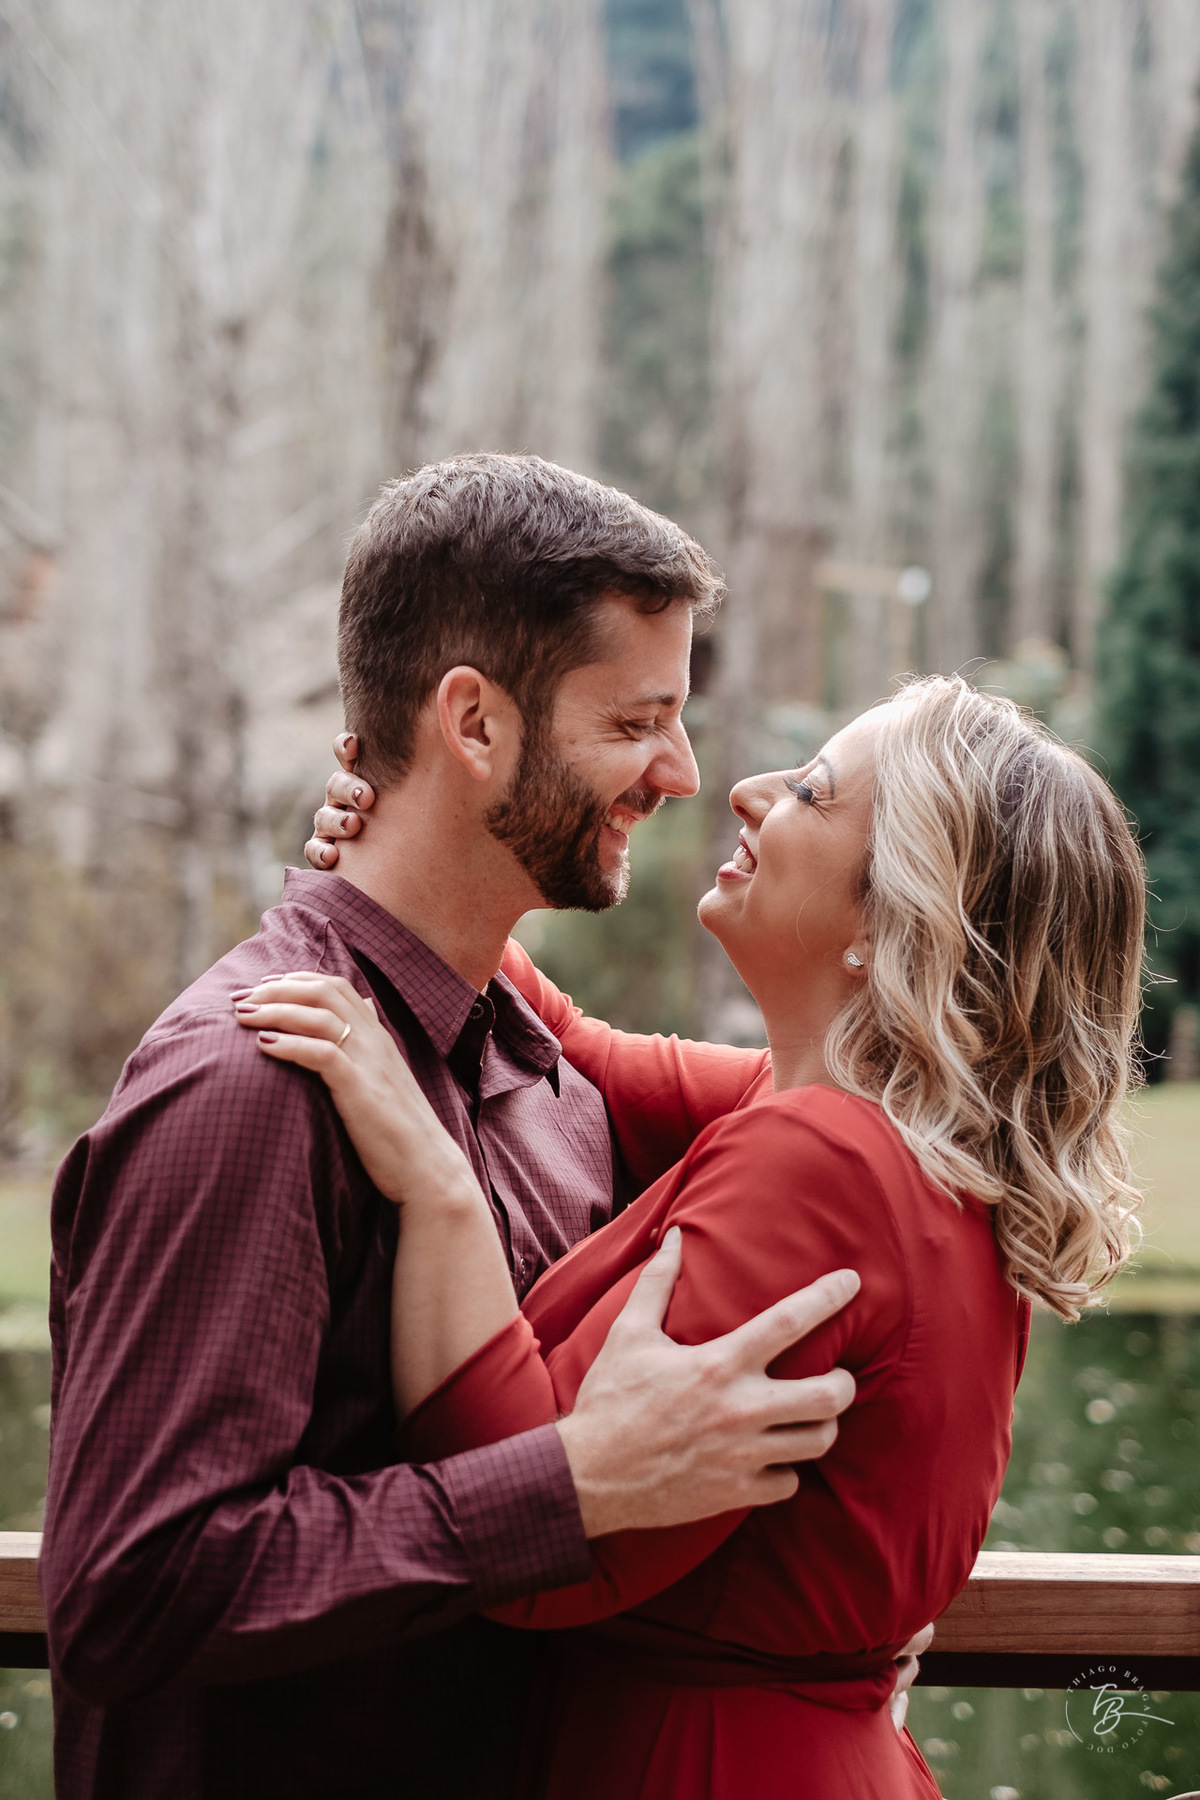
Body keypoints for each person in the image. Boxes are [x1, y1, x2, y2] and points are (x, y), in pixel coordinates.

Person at [41, 455, 869, 1800]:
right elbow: (139, 1593)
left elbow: (852, 1124)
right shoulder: (250, 1087)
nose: (682, 771)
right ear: (474, 725)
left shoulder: (543, 1065)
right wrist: (572, 1484)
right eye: (639, 719)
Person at [246, 674, 1146, 1798]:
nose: (752, 793)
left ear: (893, 914)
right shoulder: (893, 1139)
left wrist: (439, 1190)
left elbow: (525, 1519)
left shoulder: (825, 1163)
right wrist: (412, 868)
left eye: (814, 793)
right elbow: (577, 1045)